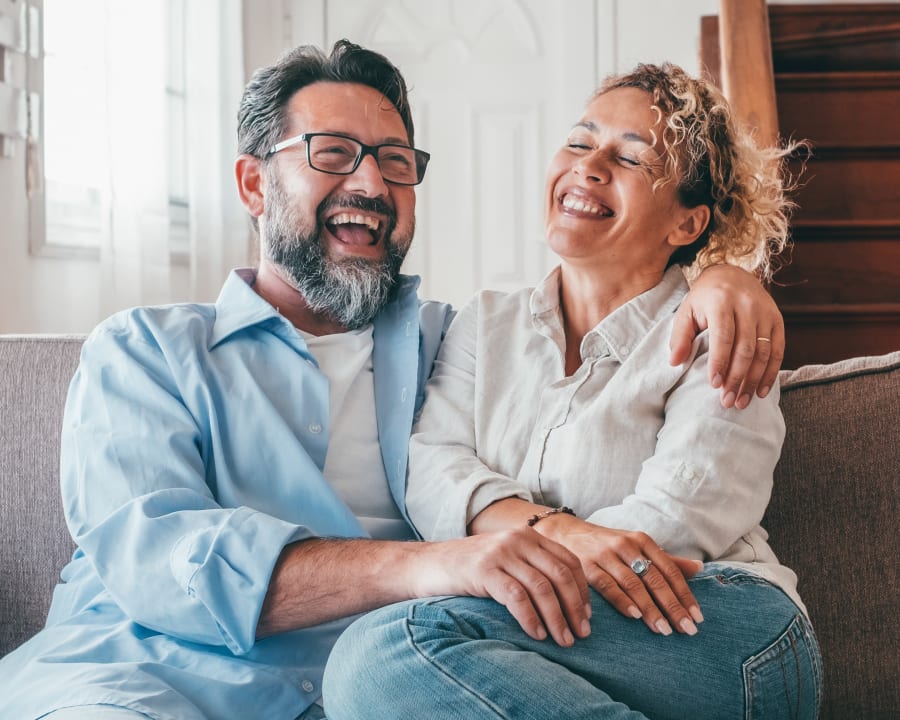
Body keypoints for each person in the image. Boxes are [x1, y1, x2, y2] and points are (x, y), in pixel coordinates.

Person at [0, 43, 788, 720]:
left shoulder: (443, 342)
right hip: (137, 686)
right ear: (252, 186)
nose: (371, 185)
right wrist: (432, 564)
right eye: (332, 154)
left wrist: (725, 278)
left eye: (395, 163)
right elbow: (160, 559)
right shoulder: (143, 352)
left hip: (390, 679)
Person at [322, 63, 822, 719]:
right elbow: (434, 468)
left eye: (630, 159)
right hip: (566, 633)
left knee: (386, 649)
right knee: (383, 661)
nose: (589, 167)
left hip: (718, 623)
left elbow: (669, 525)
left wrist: (509, 551)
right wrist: (558, 533)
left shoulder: (717, 331)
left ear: (686, 223)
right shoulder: (487, 321)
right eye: (581, 143)